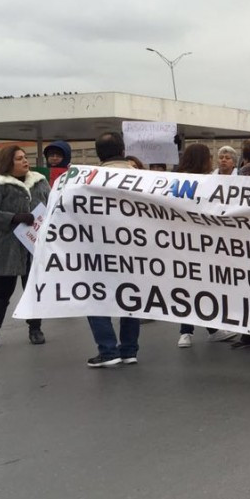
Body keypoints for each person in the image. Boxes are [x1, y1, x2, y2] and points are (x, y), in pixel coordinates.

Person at [0, 145, 50, 350]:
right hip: (5, 248)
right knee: (1, 293)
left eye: (25, 157)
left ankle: (35, 329)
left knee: (33, 290)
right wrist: (14, 218)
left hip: (33, 248)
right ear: (8, 162)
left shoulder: (40, 182)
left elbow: (52, 207)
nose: (25, 161)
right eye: (19, 159)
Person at [86, 132, 143, 367]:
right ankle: (129, 350)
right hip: (135, 249)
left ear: (98, 153)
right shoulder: (142, 178)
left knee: (96, 298)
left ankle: (108, 350)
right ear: (123, 149)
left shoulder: (88, 179)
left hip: (99, 249)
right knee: (131, 297)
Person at [174, 143, 238, 348]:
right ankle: (186, 332)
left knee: (198, 285)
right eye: (210, 157)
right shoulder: (200, 182)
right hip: (196, 242)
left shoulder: (184, 180)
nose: (215, 160)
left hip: (191, 241)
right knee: (195, 285)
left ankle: (208, 329)